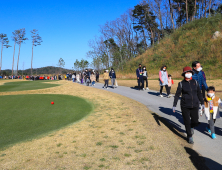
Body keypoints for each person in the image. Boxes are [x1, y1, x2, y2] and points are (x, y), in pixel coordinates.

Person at [173, 66, 204, 144]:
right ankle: (189, 136)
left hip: (195, 105)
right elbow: (177, 95)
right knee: (187, 121)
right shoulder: (181, 84)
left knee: (195, 121)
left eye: (190, 72)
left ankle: (191, 127)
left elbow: (199, 94)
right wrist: (174, 105)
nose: (188, 74)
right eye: (187, 72)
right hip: (185, 105)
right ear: (184, 74)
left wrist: (202, 103)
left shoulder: (195, 82)